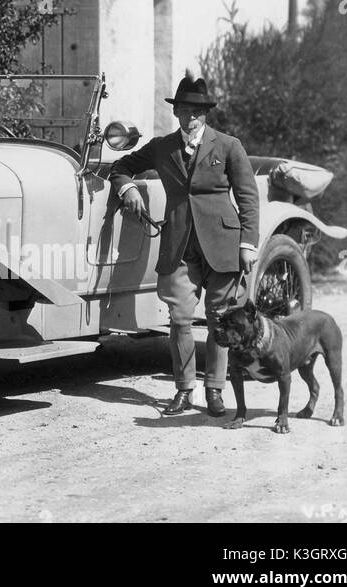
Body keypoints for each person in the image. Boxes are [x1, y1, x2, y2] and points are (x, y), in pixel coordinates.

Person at [109, 74, 259, 416]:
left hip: (223, 244)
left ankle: (215, 391)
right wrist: (127, 188)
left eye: (195, 111)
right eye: (183, 111)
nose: (189, 118)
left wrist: (248, 244)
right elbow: (121, 166)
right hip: (178, 244)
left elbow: (248, 197)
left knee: (221, 319)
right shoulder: (162, 147)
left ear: (206, 114)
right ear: (175, 114)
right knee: (179, 318)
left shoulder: (228, 145)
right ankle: (183, 390)